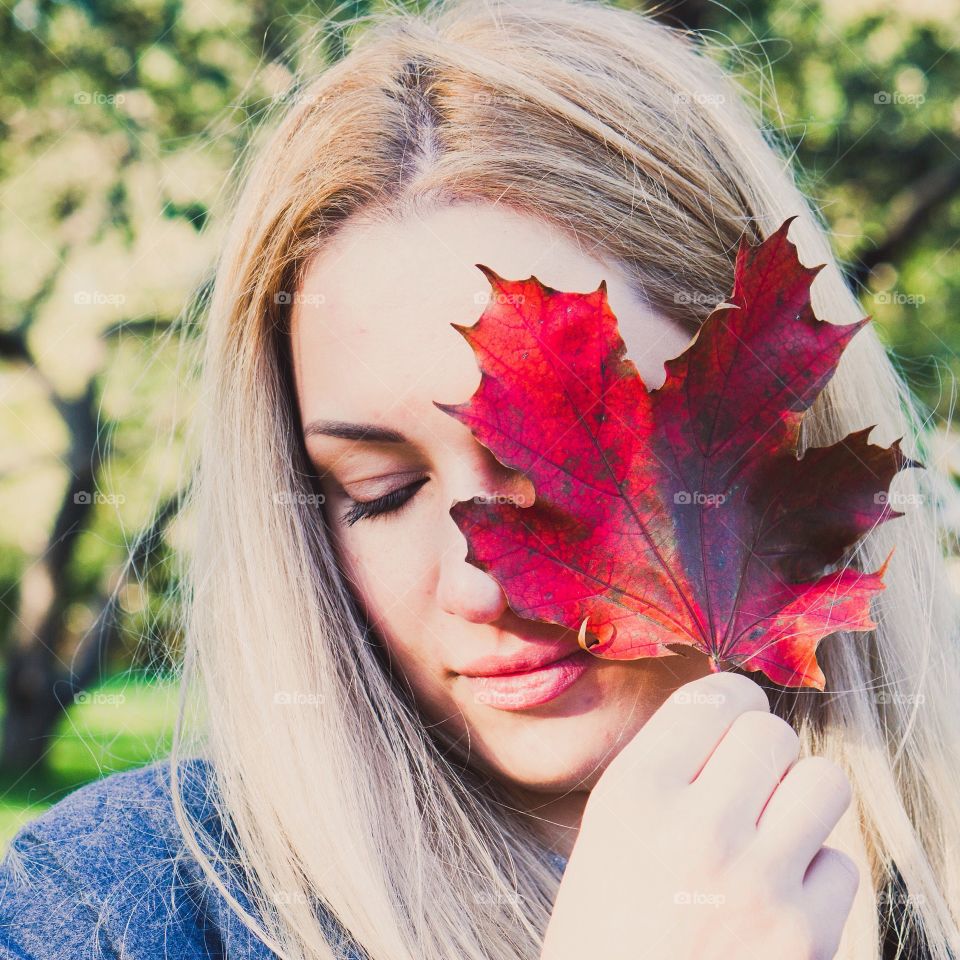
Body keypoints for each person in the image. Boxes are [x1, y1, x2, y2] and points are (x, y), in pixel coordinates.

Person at [2, 0, 959, 958]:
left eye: (558, 464)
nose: (480, 580)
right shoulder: (104, 914)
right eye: (376, 490)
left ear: (780, 412)